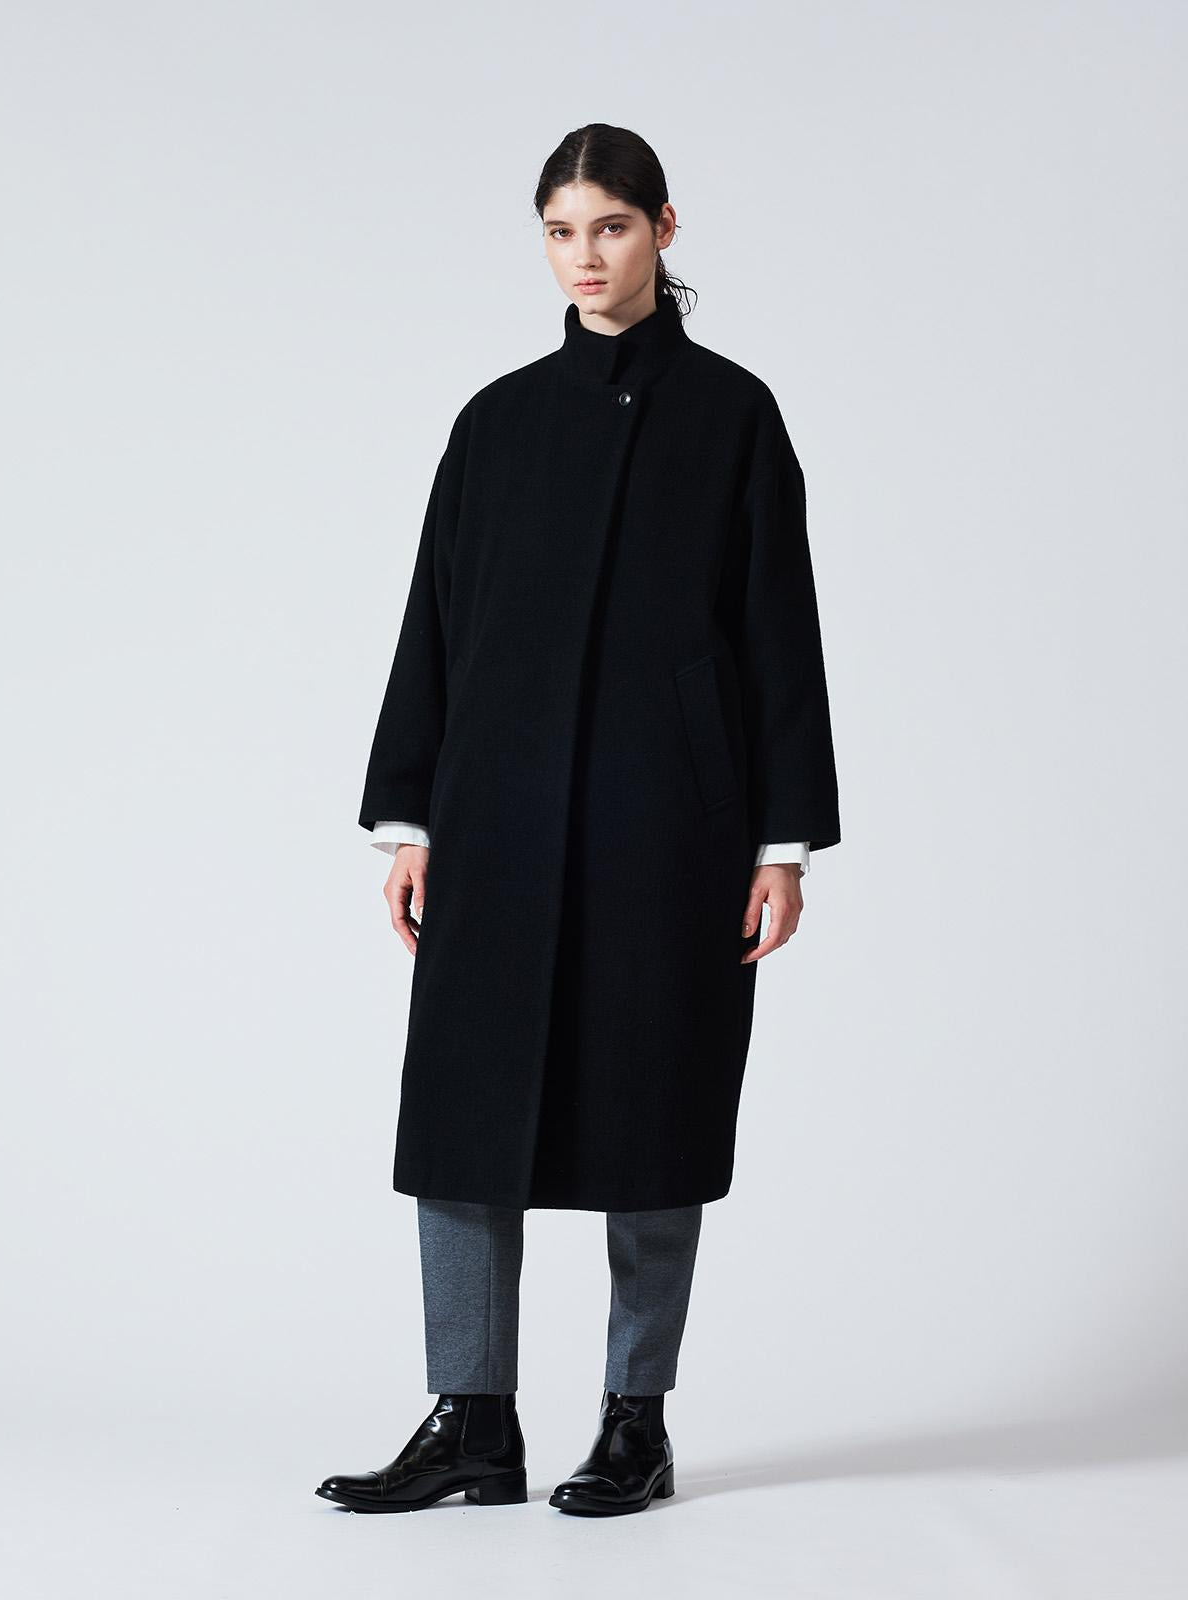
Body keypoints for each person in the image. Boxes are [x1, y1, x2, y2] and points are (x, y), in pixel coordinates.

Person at [315, 123, 841, 1518]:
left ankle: (634, 1422)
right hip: (494, 824)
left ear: (665, 227)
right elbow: (435, 626)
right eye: (561, 232)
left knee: (654, 1120)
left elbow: (779, 632)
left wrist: (781, 842)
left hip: (669, 830)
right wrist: (410, 818)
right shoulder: (495, 423)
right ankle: (471, 1421)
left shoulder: (733, 416)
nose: (585, 257)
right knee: (461, 1120)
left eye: (610, 226)